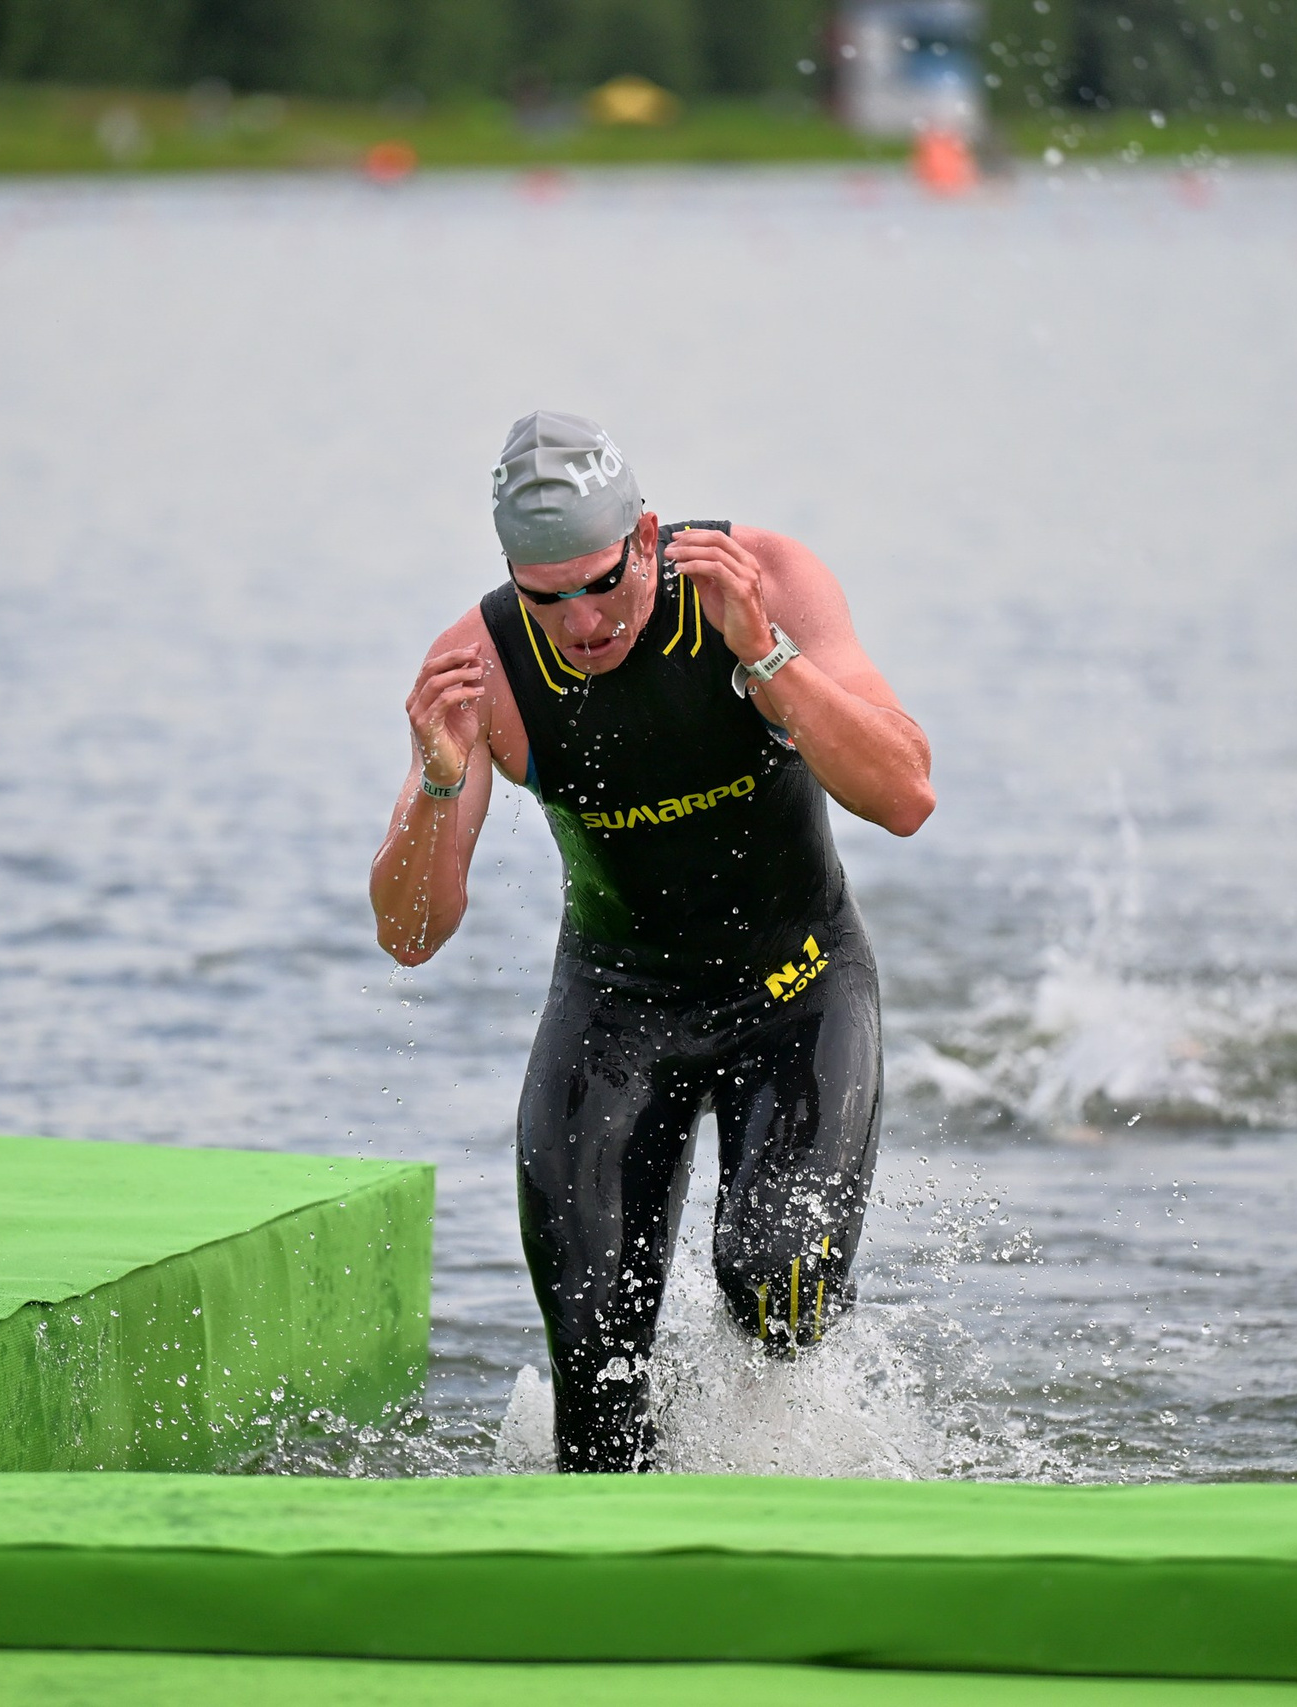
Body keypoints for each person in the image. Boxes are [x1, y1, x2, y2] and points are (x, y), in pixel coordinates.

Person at [370, 411, 934, 1472]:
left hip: (798, 989)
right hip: (617, 1012)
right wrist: (440, 780)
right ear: (510, 576)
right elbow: (408, 935)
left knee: (780, 1287)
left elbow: (905, 793)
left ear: (647, 539)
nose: (580, 624)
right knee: (594, 1375)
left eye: (601, 583)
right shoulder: (476, 666)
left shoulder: (764, 578)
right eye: (547, 598)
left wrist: (765, 656)